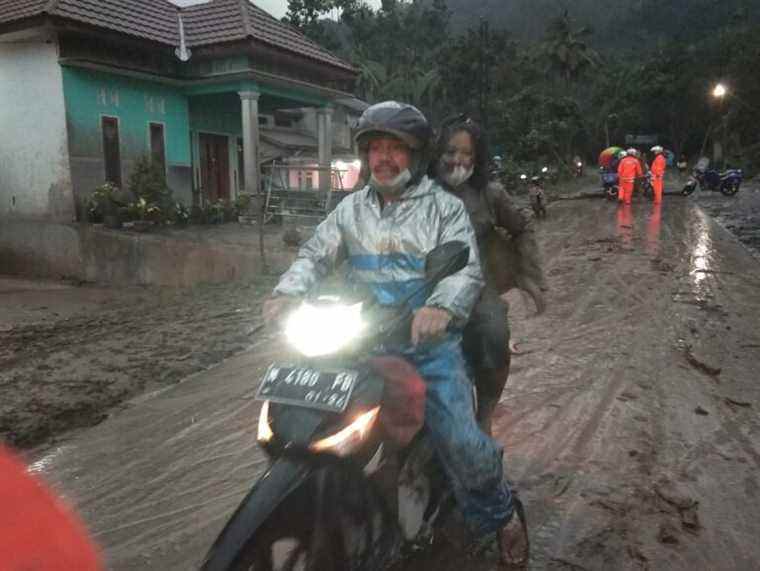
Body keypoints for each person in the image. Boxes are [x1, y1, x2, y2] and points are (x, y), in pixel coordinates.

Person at [262, 101, 529, 565]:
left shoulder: (444, 209)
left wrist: (440, 308)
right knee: (304, 420)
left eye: (395, 149)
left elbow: (462, 270)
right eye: (374, 149)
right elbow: (315, 253)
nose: (383, 159)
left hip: (427, 344)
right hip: (361, 339)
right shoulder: (351, 210)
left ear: (416, 155)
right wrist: (287, 293)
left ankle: (500, 512)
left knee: (462, 443)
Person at [430, 115, 545, 437]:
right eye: (451, 151)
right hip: (420, 287)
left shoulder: (490, 194)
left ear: (477, 158)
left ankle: (485, 414)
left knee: (495, 335)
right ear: (437, 152)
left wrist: (529, 277)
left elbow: (522, 228)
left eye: (467, 153)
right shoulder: (417, 193)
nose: (458, 159)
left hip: (477, 288)